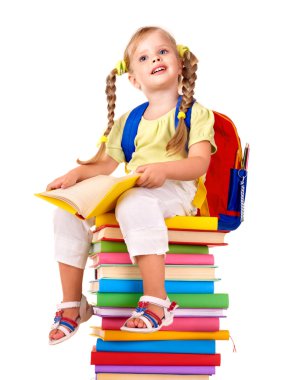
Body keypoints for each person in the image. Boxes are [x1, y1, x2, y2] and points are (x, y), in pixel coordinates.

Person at [47, 26, 216, 344]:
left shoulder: (196, 113)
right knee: (67, 212)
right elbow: (106, 166)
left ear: (179, 63)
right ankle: (72, 304)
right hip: (134, 188)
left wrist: (165, 171)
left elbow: (199, 164)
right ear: (135, 79)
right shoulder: (129, 121)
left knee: (134, 203)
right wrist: (74, 177)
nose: (155, 58)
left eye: (162, 52)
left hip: (177, 190)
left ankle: (157, 300)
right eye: (144, 56)